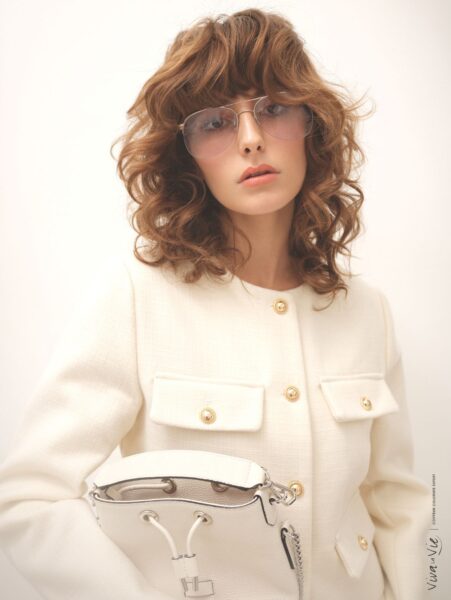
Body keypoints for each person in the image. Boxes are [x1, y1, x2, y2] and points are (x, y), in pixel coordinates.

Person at [0, 7, 430, 600]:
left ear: (312, 126)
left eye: (274, 109)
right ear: (188, 158)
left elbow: (399, 503)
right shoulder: (138, 297)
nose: (251, 138)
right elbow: (28, 500)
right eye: (215, 123)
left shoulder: (366, 312)